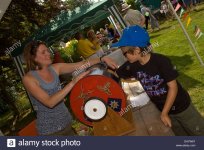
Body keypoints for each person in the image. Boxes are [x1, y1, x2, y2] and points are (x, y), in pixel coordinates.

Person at [112, 25, 204, 136]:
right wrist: (104, 62)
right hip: (166, 112)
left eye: (124, 53)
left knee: (198, 132)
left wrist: (164, 113)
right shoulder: (132, 66)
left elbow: (173, 87)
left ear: (136, 50)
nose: (124, 57)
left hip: (182, 108)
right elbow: (115, 74)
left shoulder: (161, 61)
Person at [22, 40, 117, 135]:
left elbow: (80, 64)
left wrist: (101, 59)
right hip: (50, 131)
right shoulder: (29, 79)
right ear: (34, 58)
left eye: (47, 50)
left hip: (66, 123)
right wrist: (73, 82)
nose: (48, 53)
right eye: (43, 52)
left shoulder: (55, 68)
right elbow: (50, 102)